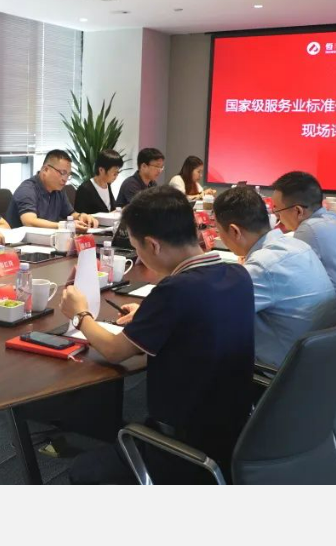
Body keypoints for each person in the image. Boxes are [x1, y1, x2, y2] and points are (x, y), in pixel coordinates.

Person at [60, 186, 255, 484]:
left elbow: (114, 351)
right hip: (237, 430)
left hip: (184, 445)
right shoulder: (238, 274)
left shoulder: (175, 290)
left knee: (81, 472)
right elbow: (196, 319)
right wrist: (149, 315)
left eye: (136, 248)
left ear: (152, 245)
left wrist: (80, 314)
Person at [212, 186, 336, 368]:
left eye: (219, 231)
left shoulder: (263, 266)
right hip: (324, 363)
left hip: (283, 374)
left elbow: (213, 316)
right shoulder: (298, 246)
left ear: (234, 231)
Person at [270, 171, 336, 315]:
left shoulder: (309, 229)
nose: (277, 215)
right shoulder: (333, 218)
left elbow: (285, 279)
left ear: (298, 211)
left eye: (277, 210)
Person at [4, 150, 99, 229]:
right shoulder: (27, 189)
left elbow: (70, 214)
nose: (65, 179)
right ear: (45, 170)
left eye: (68, 175)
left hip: (45, 241)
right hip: (19, 243)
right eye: (62, 173)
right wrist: (63, 226)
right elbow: (29, 222)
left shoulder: (58, 190)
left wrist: (81, 216)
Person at [72, 148, 124, 215]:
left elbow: (110, 211)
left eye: (118, 172)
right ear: (101, 170)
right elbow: (80, 216)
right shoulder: (85, 189)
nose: (116, 176)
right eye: (114, 173)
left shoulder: (107, 185)